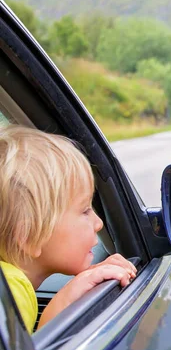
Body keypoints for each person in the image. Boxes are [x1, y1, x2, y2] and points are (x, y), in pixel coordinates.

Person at [0, 125, 137, 333]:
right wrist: (58, 310)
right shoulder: (9, 291)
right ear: (28, 236)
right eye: (85, 211)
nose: (99, 223)